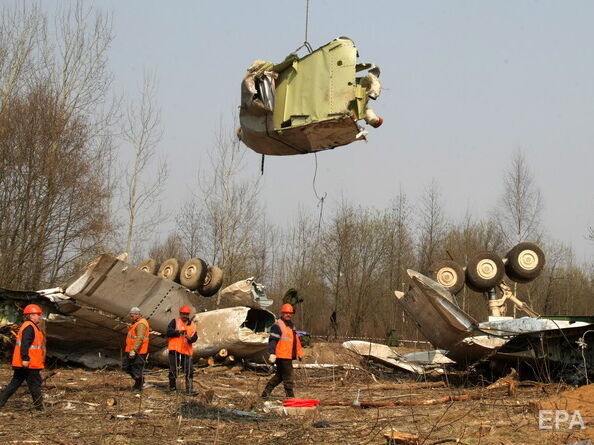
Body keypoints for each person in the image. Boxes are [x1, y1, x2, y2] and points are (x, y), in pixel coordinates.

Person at [0, 304, 46, 411]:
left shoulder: (30, 326)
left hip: (25, 363)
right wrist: (25, 358)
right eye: (38, 314)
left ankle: (1, 402)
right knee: (35, 385)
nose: (40, 317)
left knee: (14, 384)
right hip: (29, 363)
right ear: (31, 315)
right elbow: (25, 344)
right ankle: (40, 409)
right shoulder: (29, 327)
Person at [261, 303, 303, 399]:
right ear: (282, 313)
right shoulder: (277, 325)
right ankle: (290, 397)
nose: (288, 314)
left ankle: (265, 393)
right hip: (281, 355)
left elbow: (296, 341)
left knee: (279, 376)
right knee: (288, 376)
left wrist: (299, 353)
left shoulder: (291, 326)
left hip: (288, 355)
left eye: (290, 313)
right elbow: (273, 340)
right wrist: (272, 353)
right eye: (286, 313)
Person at [166, 305, 197, 394]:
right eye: (183, 314)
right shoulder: (175, 322)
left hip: (186, 350)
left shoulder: (193, 325)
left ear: (189, 315)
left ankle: (189, 390)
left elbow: (194, 338)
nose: (185, 316)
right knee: (173, 370)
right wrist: (178, 332)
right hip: (174, 349)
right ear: (180, 314)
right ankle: (172, 388)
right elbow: (168, 332)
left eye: (186, 314)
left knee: (189, 370)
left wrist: (188, 337)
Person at [122, 307, 150, 392]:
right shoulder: (137, 322)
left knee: (136, 369)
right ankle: (140, 381)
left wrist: (134, 350)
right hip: (131, 350)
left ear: (137, 315)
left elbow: (140, 338)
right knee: (126, 366)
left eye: (132, 316)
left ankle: (138, 387)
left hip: (139, 351)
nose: (131, 318)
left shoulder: (141, 324)